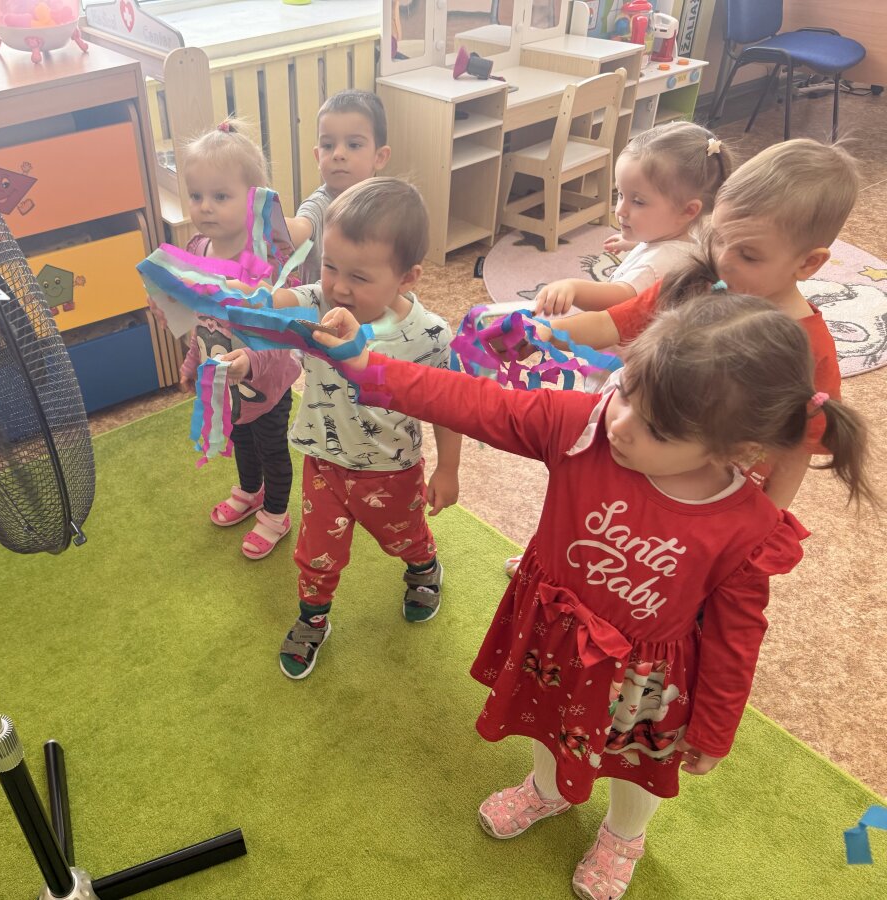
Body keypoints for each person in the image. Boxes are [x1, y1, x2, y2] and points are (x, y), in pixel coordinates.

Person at [312, 292, 874, 899]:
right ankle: (546, 790)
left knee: (635, 765)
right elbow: (472, 402)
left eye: (657, 428)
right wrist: (366, 365)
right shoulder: (582, 426)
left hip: (645, 679)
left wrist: (715, 728)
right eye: (627, 389)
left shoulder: (746, 528)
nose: (621, 423)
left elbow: (738, 637)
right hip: (553, 642)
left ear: (735, 450)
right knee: (544, 720)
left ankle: (624, 836)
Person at [545, 138, 858, 510]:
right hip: (638, 465)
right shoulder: (696, 283)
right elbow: (610, 324)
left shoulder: (810, 348)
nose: (722, 260)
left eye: (748, 255)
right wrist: (544, 335)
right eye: (717, 238)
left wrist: (770, 520)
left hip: (716, 504)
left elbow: (797, 451)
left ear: (808, 263)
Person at [269, 177, 462, 679]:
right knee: (316, 554)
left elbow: (449, 408)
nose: (338, 286)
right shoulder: (318, 302)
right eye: (330, 265)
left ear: (407, 277)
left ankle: (423, 568)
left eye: (358, 276)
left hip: (390, 469)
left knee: (405, 538)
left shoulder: (430, 336)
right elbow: (275, 302)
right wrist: (239, 295)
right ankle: (313, 618)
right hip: (323, 462)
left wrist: (449, 469)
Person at [177, 119, 301, 559]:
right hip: (225, 377)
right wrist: (193, 361)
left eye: (220, 196)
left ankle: (276, 514)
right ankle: (250, 491)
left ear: (253, 202)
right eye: (196, 196)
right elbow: (202, 318)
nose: (205, 207)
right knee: (241, 437)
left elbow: (281, 331)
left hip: (266, 380)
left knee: (271, 446)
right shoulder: (196, 249)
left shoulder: (265, 264)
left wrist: (251, 361)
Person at [533, 121, 733, 316]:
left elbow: (617, 303)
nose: (620, 210)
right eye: (620, 194)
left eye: (638, 201)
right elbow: (670, 246)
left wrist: (573, 288)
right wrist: (635, 243)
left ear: (687, 211)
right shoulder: (693, 237)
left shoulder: (654, 267)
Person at [286, 90, 392, 285]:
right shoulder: (319, 206)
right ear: (318, 157)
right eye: (328, 145)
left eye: (353, 145)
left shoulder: (387, 203)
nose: (338, 154)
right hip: (326, 304)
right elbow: (299, 227)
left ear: (379, 157)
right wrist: (271, 227)